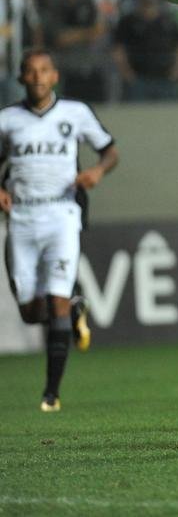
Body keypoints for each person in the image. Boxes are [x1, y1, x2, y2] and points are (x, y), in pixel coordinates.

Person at [0, 50, 118, 411]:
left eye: (44, 71)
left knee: (57, 300)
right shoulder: (7, 120)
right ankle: (77, 306)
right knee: (31, 312)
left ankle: (51, 394)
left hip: (62, 215)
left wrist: (97, 172)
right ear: (21, 78)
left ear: (55, 77)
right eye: (30, 71)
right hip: (20, 218)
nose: (37, 77)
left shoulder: (76, 113)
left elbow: (109, 150)